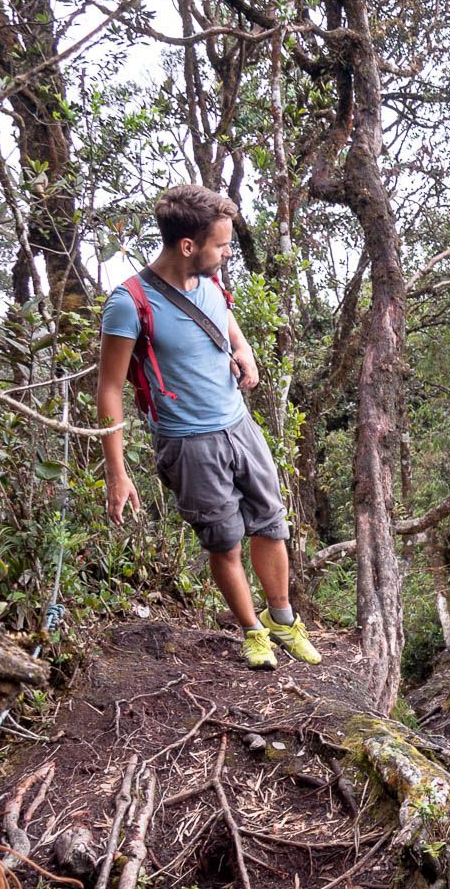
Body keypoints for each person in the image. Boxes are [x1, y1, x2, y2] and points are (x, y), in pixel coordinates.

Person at [95, 184, 320, 669]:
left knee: (271, 525)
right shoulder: (129, 303)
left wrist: (244, 348)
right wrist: (117, 472)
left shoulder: (210, 280)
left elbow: (225, 321)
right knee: (225, 539)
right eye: (221, 245)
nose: (227, 252)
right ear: (188, 246)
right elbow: (109, 388)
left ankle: (282, 619)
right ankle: (253, 632)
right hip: (187, 442)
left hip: (239, 425)